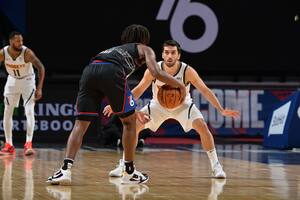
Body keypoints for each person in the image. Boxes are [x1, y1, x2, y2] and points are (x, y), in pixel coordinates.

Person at [46, 25, 186, 185]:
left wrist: (127, 108)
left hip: (89, 71)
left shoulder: (112, 49)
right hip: (113, 71)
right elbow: (156, 73)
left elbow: (104, 76)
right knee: (129, 123)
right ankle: (129, 172)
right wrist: (180, 85)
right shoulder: (145, 49)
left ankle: (65, 169)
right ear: (144, 39)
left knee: (80, 125)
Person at [104, 40, 240, 178]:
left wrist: (221, 109)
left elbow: (204, 90)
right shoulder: (153, 69)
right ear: (162, 55)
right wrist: (118, 103)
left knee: (203, 127)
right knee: (134, 125)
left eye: (173, 53)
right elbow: (139, 89)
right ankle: (125, 165)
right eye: (167, 52)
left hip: (183, 105)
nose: (170, 56)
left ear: (178, 55)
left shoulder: (187, 71)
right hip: (158, 106)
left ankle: (216, 166)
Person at [0, 31, 45, 156]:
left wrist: (39, 88)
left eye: (22, 41)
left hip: (28, 80)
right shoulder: (3, 53)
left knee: (29, 110)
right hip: (12, 80)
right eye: (17, 41)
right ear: (10, 41)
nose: (20, 43)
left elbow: (41, 67)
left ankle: (28, 143)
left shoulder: (27, 53)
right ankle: (9, 144)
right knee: (7, 111)